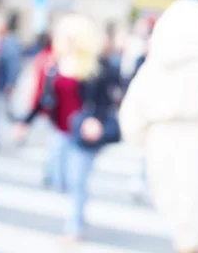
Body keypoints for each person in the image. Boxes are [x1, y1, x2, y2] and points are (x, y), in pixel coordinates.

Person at [119, 0, 198, 253]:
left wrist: (148, 143)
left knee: (183, 231)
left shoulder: (155, 65)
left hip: (162, 150)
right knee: (196, 234)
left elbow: (130, 116)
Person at [13, 14, 120, 243]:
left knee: (77, 180)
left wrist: (96, 121)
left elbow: (106, 102)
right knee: (58, 178)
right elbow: (44, 98)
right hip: (60, 131)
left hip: (83, 134)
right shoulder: (56, 63)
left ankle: (75, 226)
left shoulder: (98, 66)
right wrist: (25, 122)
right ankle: (77, 211)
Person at [0, 13, 22, 149]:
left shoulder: (9, 43)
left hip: (0, 83)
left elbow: (13, 65)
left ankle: (21, 126)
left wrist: (11, 83)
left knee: (8, 111)